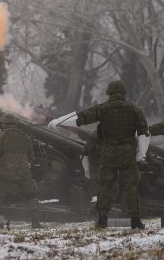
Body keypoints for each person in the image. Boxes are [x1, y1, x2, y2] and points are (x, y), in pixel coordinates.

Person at [49, 79, 149, 229]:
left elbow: (81, 117)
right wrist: (142, 153)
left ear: (109, 93)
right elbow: (144, 132)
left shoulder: (103, 109)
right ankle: (135, 220)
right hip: (127, 156)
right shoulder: (135, 110)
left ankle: (102, 219)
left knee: (105, 187)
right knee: (131, 187)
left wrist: (59, 120)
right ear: (123, 93)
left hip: (109, 156)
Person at [0, 114, 41, 227]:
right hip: (24, 171)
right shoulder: (25, 136)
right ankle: (35, 221)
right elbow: (31, 155)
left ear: (3, 124)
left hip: (6, 171)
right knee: (31, 193)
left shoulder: (1, 135)